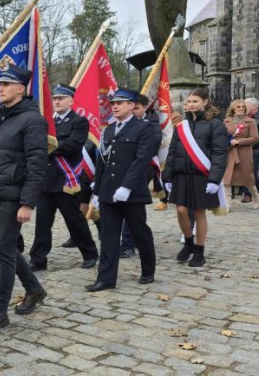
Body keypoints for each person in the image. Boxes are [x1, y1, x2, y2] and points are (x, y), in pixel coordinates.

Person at [0, 65, 48, 332]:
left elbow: (37, 163)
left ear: (21, 88)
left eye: (7, 84)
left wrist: (27, 202)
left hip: (13, 195)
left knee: (6, 253)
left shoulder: (32, 120)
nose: (1, 88)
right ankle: (34, 289)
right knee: (4, 248)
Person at [86, 88, 157, 292]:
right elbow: (103, 163)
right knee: (108, 235)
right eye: (113, 103)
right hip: (108, 191)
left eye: (120, 102)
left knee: (139, 231)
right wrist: (97, 191)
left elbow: (141, 161)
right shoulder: (108, 130)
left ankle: (148, 269)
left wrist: (126, 187)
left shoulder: (143, 129)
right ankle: (106, 279)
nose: (114, 106)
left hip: (132, 193)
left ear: (132, 105)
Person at [29, 85, 99, 270]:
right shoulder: (47, 122)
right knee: (42, 223)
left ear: (71, 100)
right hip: (46, 179)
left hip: (65, 180)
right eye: (55, 99)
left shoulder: (79, 121)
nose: (57, 102)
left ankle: (90, 253)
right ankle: (38, 259)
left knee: (74, 220)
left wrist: (45, 148)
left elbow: (72, 146)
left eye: (61, 98)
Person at [163, 88, 227, 268]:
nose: (190, 105)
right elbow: (172, 152)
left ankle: (199, 250)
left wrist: (214, 179)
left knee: (199, 213)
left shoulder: (215, 124)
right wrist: (167, 176)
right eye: (188, 102)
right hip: (182, 175)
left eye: (194, 101)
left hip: (202, 175)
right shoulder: (181, 126)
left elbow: (220, 153)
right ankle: (189, 242)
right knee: (181, 210)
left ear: (205, 102)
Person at [119, 94, 163, 258]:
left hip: (144, 169)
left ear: (145, 107)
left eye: (137, 108)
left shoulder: (151, 123)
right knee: (137, 207)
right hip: (125, 168)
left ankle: (128, 243)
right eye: (132, 107)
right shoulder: (125, 122)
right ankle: (139, 238)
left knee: (131, 205)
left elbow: (154, 143)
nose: (134, 111)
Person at [222, 99, 259, 211]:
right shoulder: (226, 121)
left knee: (247, 178)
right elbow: (222, 136)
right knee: (226, 178)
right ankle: (227, 204)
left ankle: (255, 195)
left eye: (243, 106)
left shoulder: (250, 121)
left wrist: (239, 141)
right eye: (238, 106)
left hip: (244, 153)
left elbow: (255, 138)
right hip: (229, 152)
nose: (241, 108)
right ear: (233, 108)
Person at [242, 98, 259, 203]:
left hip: (256, 149)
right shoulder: (243, 117)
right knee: (245, 169)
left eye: (246, 105)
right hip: (243, 147)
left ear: (254, 106)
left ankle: (255, 190)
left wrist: (250, 145)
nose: (243, 107)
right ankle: (248, 193)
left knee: (252, 169)